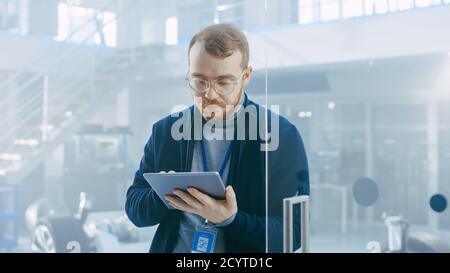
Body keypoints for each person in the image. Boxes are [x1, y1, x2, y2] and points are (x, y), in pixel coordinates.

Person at [125, 23, 309, 253]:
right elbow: (134, 209)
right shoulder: (166, 132)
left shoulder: (281, 135)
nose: (209, 94)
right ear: (188, 73)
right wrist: (162, 196)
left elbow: (293, 233)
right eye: (199, 81)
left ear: (246, 76)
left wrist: (231, 220)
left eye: (223, 82)